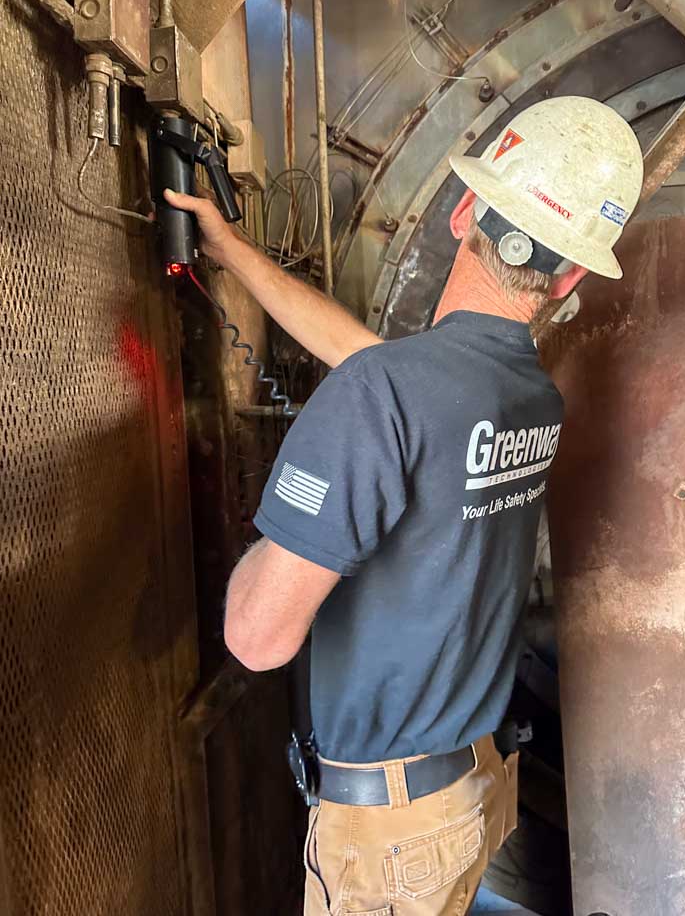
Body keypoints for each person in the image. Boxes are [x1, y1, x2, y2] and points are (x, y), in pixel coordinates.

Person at [165, 95, 643, 916]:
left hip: (389, 842)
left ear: (463, 213)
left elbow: (256, 638)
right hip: (467, 792)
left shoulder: (386, 396)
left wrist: (287, 541)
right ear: (570, 275)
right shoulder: (529, 398)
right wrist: (229, 250)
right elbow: (373, 366)